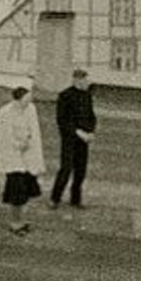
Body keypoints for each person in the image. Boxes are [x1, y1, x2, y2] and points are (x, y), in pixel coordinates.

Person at [0, 86, 45, 235]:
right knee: (16, 191)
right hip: (13, 158)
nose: (27, 103)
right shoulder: (6, 113)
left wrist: (28, 143)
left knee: (25, 191)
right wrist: (18, 144)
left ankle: (21, 219)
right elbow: (3, 135)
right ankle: (15, 222)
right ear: (17, 100)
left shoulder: (30, 109)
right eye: (25, 100)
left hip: (26, 157)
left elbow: (33, 130)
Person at [51, 69, 97, 209]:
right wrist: (78, 132)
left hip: (84, 139)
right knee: (66, 169)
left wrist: (91, 132)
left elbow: (91, 116)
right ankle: (55, 198)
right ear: (77, 80)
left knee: (80, 171)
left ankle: (75, 199)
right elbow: (62, 120)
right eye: (85, 80)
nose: (87, 83)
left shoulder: (87, 96)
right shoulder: (65, 95)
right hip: (70, 139)